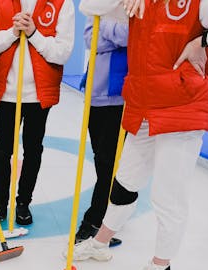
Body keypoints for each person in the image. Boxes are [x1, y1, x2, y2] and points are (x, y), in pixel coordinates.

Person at [73, 0, 208, 270]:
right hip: (144, 102)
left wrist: (205, 40)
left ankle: (162, 266)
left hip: (183, 105)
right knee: (125, 180)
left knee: (168, 194)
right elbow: (89, 6)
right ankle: (100, 242)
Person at [0, 0, 74, 226]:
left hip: (39, 93)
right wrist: (13, 32)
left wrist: (34, 33)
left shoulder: (61, 3)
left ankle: (23, 203)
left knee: (33, 150)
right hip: (8, 92)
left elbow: (62, 53)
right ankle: (0, 205)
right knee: (2, 151)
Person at [75, 15, 128, 246]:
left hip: (120, 98)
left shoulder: (133, 7)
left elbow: (131, 37)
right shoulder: (99, 6)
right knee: (101, 160)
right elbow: (90, 39)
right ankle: (107, 214)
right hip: (94, 94)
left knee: (109, 164)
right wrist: (115, 36)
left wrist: (104, 27)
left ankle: (94, 221)